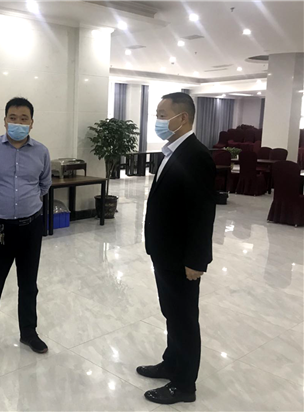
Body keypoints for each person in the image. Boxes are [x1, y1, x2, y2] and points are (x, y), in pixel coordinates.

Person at [138, 92, 216, 405]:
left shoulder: (196, 155)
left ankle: (184, 385)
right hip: (165, 251)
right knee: (171, 312)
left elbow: (202, 213)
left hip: (182, 257)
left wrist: (197, 260)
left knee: (183, 318)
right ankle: (171, 363)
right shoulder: (172, 151)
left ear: (182, 118)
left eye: (162, 114)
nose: (158, 120)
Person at [0, 97, 52, 359]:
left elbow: (44, 185)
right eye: (12, 118)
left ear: (32, 123)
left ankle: (29, 332)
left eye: (23, 118)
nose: (18, 122)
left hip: (31, 227)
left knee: (29, 284)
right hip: (0, 228)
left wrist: (27, 203)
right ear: (4, 120)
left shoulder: (41, 151)